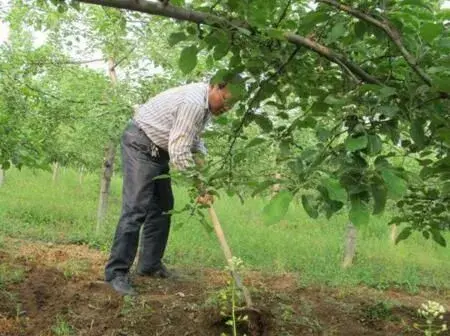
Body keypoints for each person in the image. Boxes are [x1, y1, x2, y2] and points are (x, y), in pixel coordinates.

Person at [105, 76, 238, 296]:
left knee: (163, 207)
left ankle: (149, 265)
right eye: (224, 99)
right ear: (214, 86)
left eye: (231, 105)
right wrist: (198, 187)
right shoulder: (194, 103)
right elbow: (179, 151)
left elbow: (193, 139)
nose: (226, 107)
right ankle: (116, 274)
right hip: (141, 145)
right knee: (136, 208)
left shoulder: (205, 107)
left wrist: (202, 168)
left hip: (158, 151)